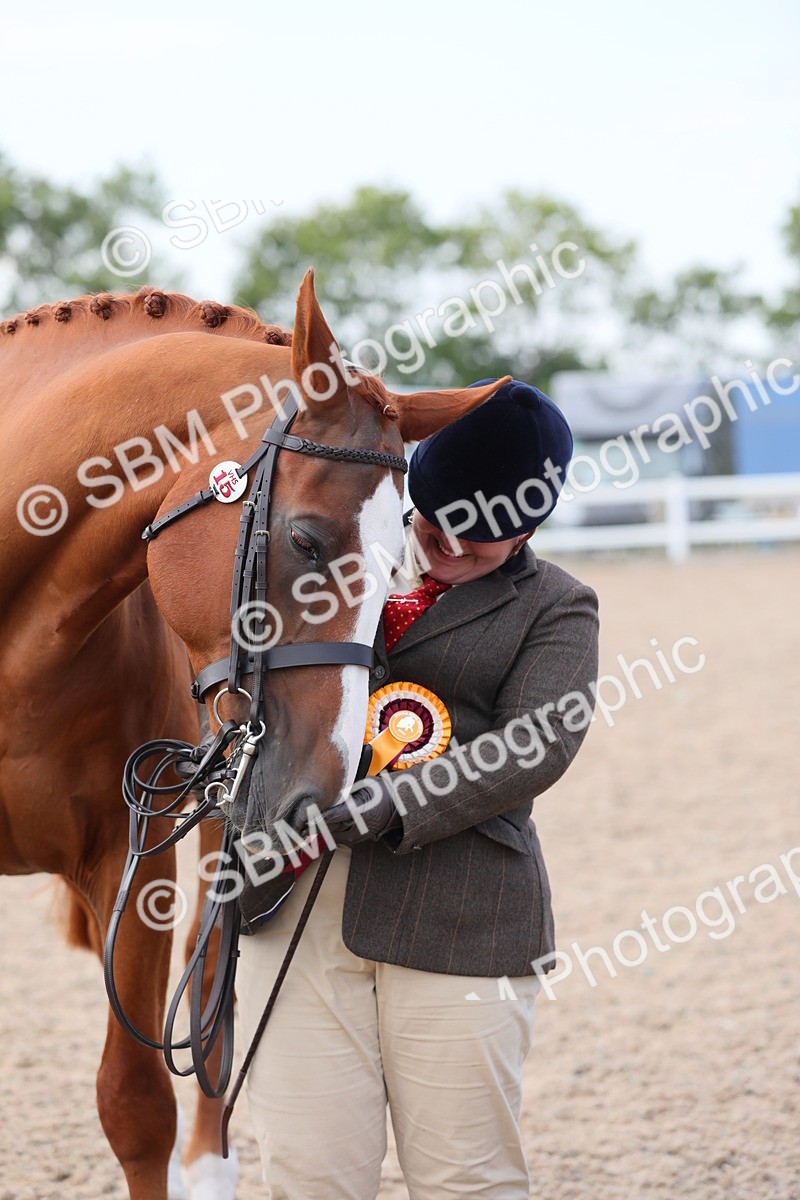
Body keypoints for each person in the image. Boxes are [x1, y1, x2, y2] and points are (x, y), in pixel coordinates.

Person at [236, 377, 600, 1199]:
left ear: (530, 527)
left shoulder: (558, 607)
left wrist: (391, 804)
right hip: (290, 903)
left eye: (484, 542)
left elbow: (537, 746)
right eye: (437, 527)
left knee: (467, 1178)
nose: (451, 551)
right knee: (308, 1175)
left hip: (459, 915)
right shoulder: (326, 556)